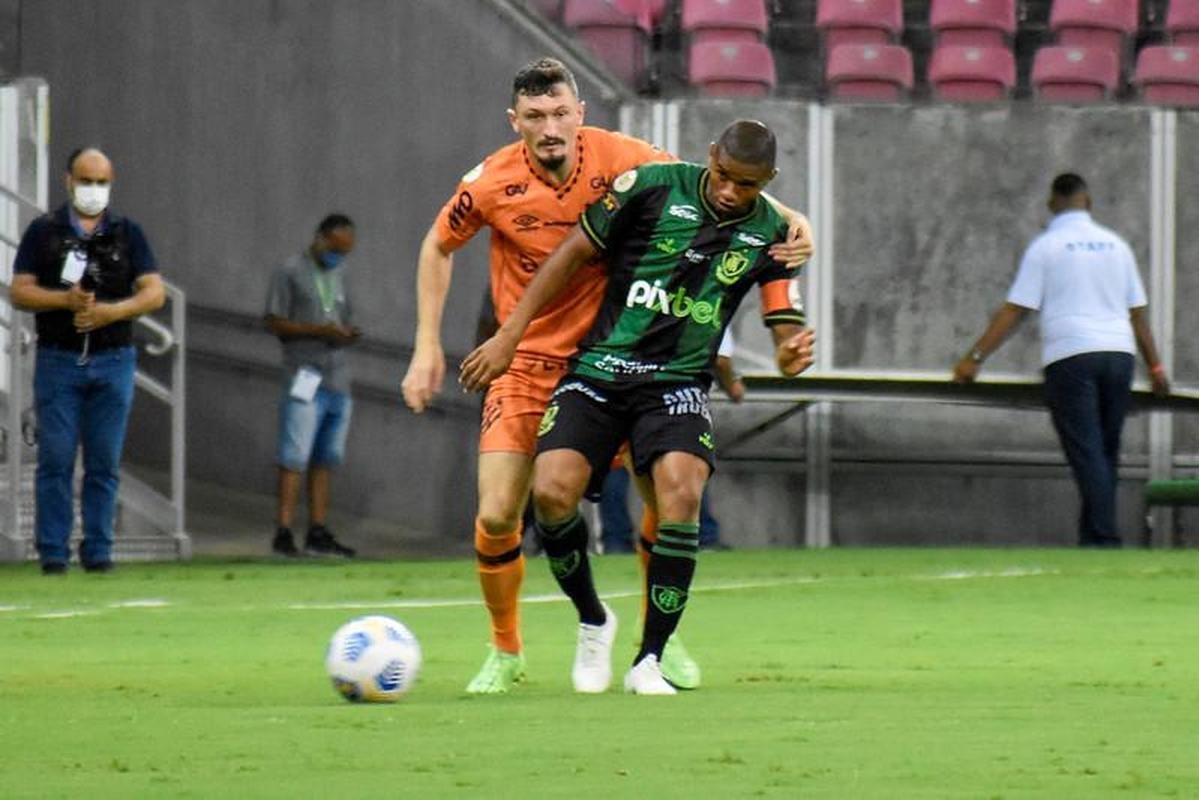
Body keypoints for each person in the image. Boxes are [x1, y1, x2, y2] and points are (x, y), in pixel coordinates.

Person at [401, 58, 813, 694]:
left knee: (666, 502)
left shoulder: (625, 158)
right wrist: (427, 345)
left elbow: (713, 181)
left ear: (580, 114)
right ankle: (508, 649)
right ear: (516, 122)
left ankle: (658, 646)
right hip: (530, 358)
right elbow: (436, 245)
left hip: (621, 358)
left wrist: (794, 220)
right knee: (497, 514)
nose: (550, 127)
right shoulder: (489, 183)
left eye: (561, 112)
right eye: (535, 117)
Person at [952, 173, 1170, 548]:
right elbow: (1137, 314)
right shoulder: (1117, 246)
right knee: (1106, 452)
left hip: (1072, 356)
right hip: (1119, 355)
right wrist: (1156, 368)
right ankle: (1094, 537)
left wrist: (974, 358)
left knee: (1087, 453)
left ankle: (1104, 538)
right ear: (1089, 201)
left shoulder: (1047, 246)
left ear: (1053, 203)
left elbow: (1016, 309)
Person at [9, 147, 166, 575]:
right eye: (86, 181)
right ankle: (54, 551)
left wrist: (112, 311)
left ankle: (98, 549)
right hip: (59, 360)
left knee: (104, 460)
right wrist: (64, 299)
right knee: (56, 457)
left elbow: (154, 291)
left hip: (113, 358)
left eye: (101, 182)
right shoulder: (44, 232)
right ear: (68, 181)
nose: (94, 190)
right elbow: (19, 291)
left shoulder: (127, 233)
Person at [265, 214, 361, 558]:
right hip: (303, 376)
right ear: (320, 238)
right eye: (335, 248)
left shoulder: (341, 275)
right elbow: (273, 321)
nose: (338, 255)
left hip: (338, 377)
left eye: (344, 251)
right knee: (294, 455)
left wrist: (346, 334)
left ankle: (318, 529)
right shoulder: (290, 271)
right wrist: (318, 332)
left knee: (327, 457)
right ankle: (284, 529)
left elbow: (345, 317)